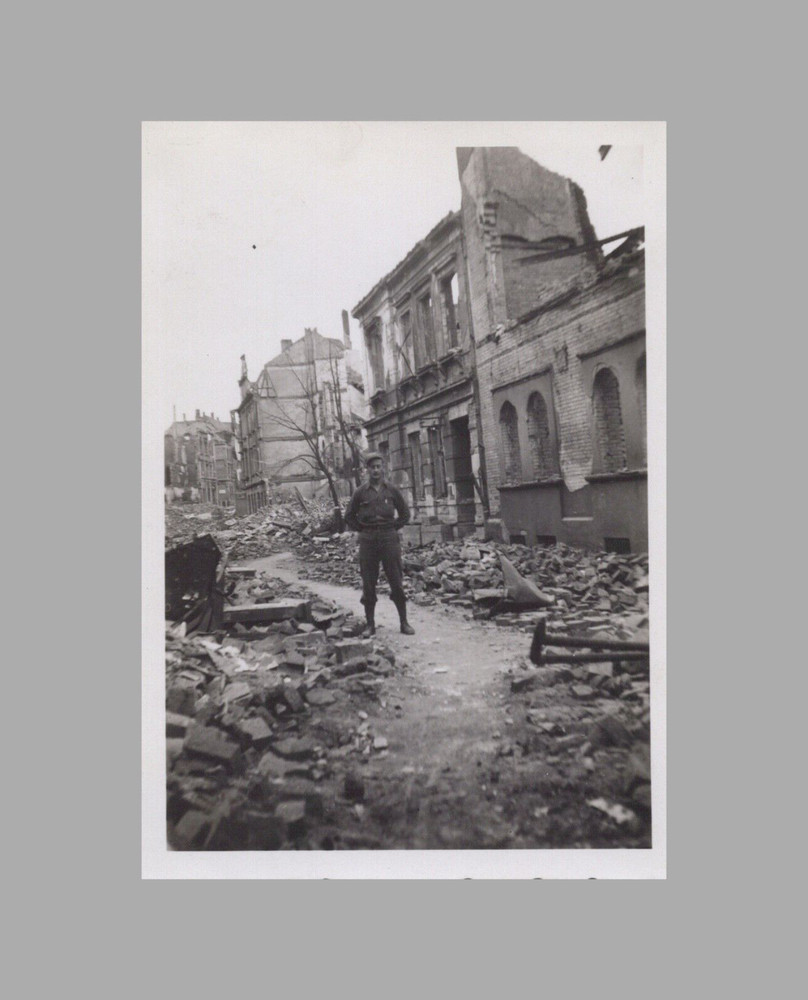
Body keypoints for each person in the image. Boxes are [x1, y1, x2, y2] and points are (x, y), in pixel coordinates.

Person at [344, 452, 415, 636]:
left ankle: (404, 622)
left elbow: (405, 513)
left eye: (378, 466)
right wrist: (362, 529)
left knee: (396, 581)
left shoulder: (391, 490)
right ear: (367, 469)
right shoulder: (360, 492)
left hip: (389, 539)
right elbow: (349, 516)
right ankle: (370, 625)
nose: (376, 470)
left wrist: (392, 527)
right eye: (372, 467)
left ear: (383, 468)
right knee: (368, 582)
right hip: (368, 540)